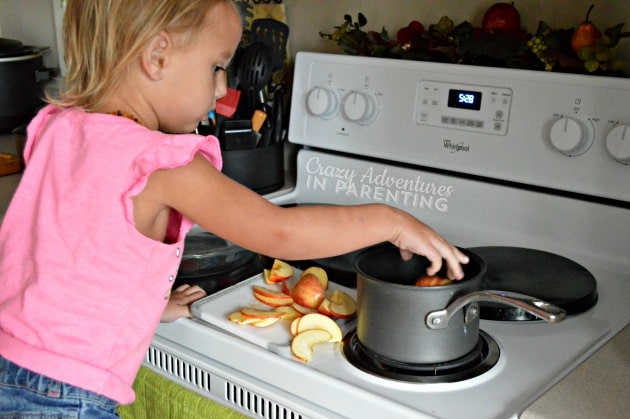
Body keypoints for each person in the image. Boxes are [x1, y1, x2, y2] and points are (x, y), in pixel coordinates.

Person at [0, 0, 469, 416]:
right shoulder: (163, 161)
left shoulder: (58, 127)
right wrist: (389, 220)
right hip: (64, 395)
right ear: (157, 56)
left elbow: (68, 247)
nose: (223, 88)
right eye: (216, 66)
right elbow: (277, 232)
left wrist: (145, 303)